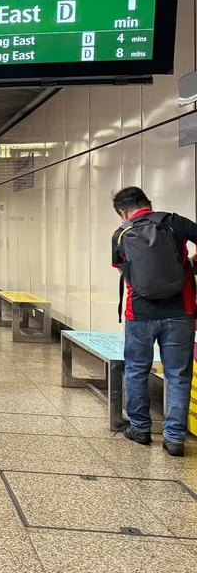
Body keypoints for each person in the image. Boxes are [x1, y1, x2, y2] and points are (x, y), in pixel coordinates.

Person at [112, 186, 197, 457]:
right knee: (178, 375)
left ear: (123, 212)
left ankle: (140, 428)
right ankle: (174, 439)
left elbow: (122, 268)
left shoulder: (121, 234)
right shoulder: (175, 222)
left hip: (139, 314)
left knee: (137, 369)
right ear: (148, 203)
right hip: (180, 311)